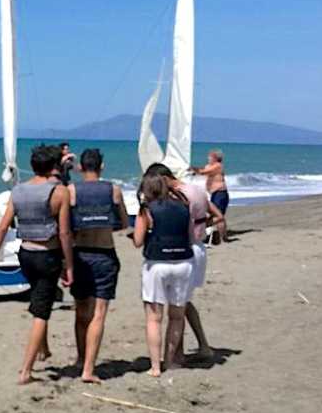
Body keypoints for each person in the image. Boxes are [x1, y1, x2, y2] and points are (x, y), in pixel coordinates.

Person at [0, 145, 74, 385]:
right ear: (55, 166)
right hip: (48, 253)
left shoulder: (18, 190)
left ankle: (44, 349)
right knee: (42, 312)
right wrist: (69, 265)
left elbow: (3, 226)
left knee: (39, 299)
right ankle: (26, 370)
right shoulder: (60, 192)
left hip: (25, 253)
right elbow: (64, 233)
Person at [145, 163, 225, 363]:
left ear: (162, 178)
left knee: (178, 305)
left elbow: (177, 224)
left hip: (184, 250)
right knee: (182, 302)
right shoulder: (196, 190)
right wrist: (202, 226)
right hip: (197, 247)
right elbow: (218, 215)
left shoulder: (179, 196)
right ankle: (194, 347)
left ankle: (181, 352)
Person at [67, 148, 128, 383]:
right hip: (104, 253)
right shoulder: (113, 189)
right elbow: (123, 222)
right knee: (98, 314)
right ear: (101, 166)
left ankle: (81, 358)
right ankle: (88, 370)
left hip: (79, 253)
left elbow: (65, 225)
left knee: (81, 312)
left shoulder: (71, 191)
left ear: (81, 167)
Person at [132, 173, 193, 376]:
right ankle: (169, 360)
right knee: (176, 316)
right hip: (183, 262)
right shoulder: (184, 206)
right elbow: (191, 237)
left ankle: (155, 367)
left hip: (157, 263)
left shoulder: (147, 210)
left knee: (154, 318)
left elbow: (138, 241)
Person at [191, 149, 229, 242]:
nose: (208, 158)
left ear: (215, 158)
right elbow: (203, 171)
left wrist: (193, 168)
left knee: (218, 215)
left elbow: (204, 172)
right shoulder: (209, 166)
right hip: (214, 194)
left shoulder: (218, 166)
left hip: (220, 193)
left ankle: (222, 237)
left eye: (210, 156)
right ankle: (221, 235)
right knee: (215, 215)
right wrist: (194, 171)